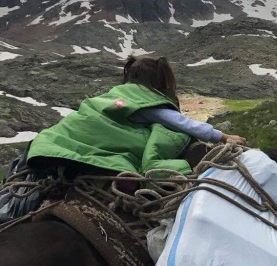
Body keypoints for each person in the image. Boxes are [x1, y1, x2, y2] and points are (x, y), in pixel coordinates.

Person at [26, 54, 247, 178]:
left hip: (58, 137)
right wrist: (223, 137)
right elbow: (182, 123)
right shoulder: (147, 101)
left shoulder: (119, 95)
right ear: (160, 83)